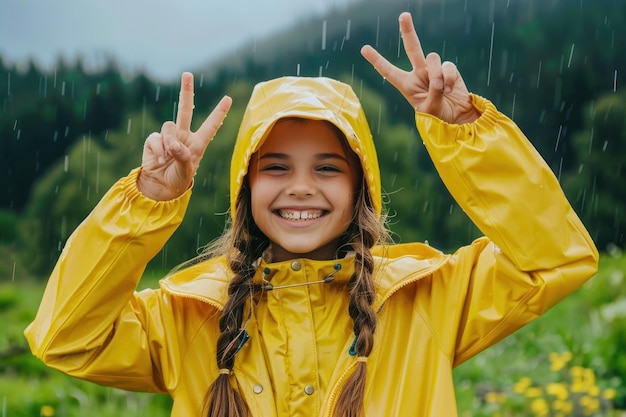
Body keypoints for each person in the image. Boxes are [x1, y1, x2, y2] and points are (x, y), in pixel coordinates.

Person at [25, 12, 598, 417]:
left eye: (327, 168)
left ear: (360, 187)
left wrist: (464, 134)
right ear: (246, 186)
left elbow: (554, 257)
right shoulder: (188, 316)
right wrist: (148, 203)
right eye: (275, 168)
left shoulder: (430, 298)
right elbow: (66, 337)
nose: (301, 189)